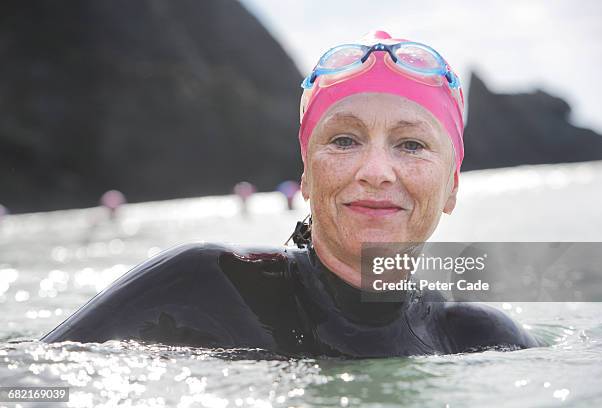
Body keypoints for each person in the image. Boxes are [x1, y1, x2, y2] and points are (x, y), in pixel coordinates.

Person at [42, 31, 541, 357]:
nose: (376, 171)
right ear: (305, 176)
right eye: (344, 140)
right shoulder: (199, 287)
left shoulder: (478, 341)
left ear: (451, 188)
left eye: (410, 145)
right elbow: (25, 386)